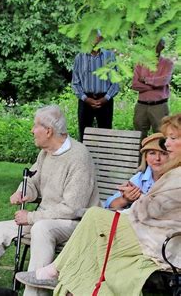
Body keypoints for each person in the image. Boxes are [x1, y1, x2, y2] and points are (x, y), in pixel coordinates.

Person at [0, 105, 100, 296]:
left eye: (35, 125)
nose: (32, 130)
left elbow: (73, 208)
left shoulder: (79, 157)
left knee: (41, 228)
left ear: (48, 131)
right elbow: (32, 179)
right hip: (45, 218)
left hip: (77, 224)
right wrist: (24, 191)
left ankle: (33, 293)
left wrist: (30, 217)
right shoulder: (45, 153)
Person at [15, 113, 181, 296]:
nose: (166, 144)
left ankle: (56, 271)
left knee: (94, 217)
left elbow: (148, 211)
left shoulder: (177, 176)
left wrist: (138, 199)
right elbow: (116, 203)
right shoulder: (156, 176)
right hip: (145, 229)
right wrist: (127, 200)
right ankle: (60, 276)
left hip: (158, 239)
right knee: (95, 221)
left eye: (172, 139)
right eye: (152, 152)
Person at [72, 31, 120, 141]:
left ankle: (105, 157)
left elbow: (115, 82)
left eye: (95, 36)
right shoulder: (79, 57)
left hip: (105, 100)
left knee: (106, 134)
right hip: (85, 100)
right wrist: (86, 98)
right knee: (84, 135)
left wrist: (106, 98)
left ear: (101, 38)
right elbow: (75, 83)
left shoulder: (110, 56)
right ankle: (85, 157)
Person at [104, 132, 169, 210]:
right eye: (152, 153)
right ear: (145, 157)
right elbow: (109, 204)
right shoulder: (140, 178)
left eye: (163, 153)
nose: (157, 158)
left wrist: (140, 197)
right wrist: (125, 199)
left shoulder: (175, 179)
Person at [132, 39, 174, 139]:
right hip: (141, 106)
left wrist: (145, 80)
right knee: (139, 136)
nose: (154, 47)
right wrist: (154, 85)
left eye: (157, 44)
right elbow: (134, 84)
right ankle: (141, 155)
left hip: (159, 106)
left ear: (162, 47)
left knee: (161, 135)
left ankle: (160, 154)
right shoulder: (140, 63)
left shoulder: (168, 63)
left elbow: (164, 81)